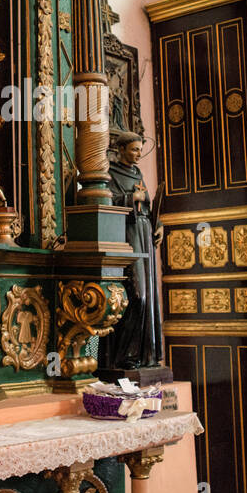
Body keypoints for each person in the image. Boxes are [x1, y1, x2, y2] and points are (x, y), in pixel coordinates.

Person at [98, 133, 163, 372]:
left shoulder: (137, 174)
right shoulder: (111, 173)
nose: (137, 154)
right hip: (127, 236)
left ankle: (143, 355)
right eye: (134, 149)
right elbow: (106, 202)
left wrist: (158, 225)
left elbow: (145, 204)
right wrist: (129, 197)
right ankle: (123, 354)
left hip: (144, 233)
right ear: (121, 149)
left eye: (139, 150)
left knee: (150, 296)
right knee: (138, 295)